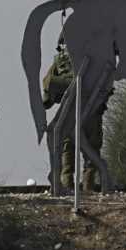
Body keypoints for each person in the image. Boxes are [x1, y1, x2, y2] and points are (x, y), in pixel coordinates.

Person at [41, 42, 110, 191]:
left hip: (70, 112)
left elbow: (47, 89)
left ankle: (68, 186)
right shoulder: (98, 58)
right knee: (90, 151)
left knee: (67, 150)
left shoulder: (61, 61)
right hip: (91, 112)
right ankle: (87, 187)